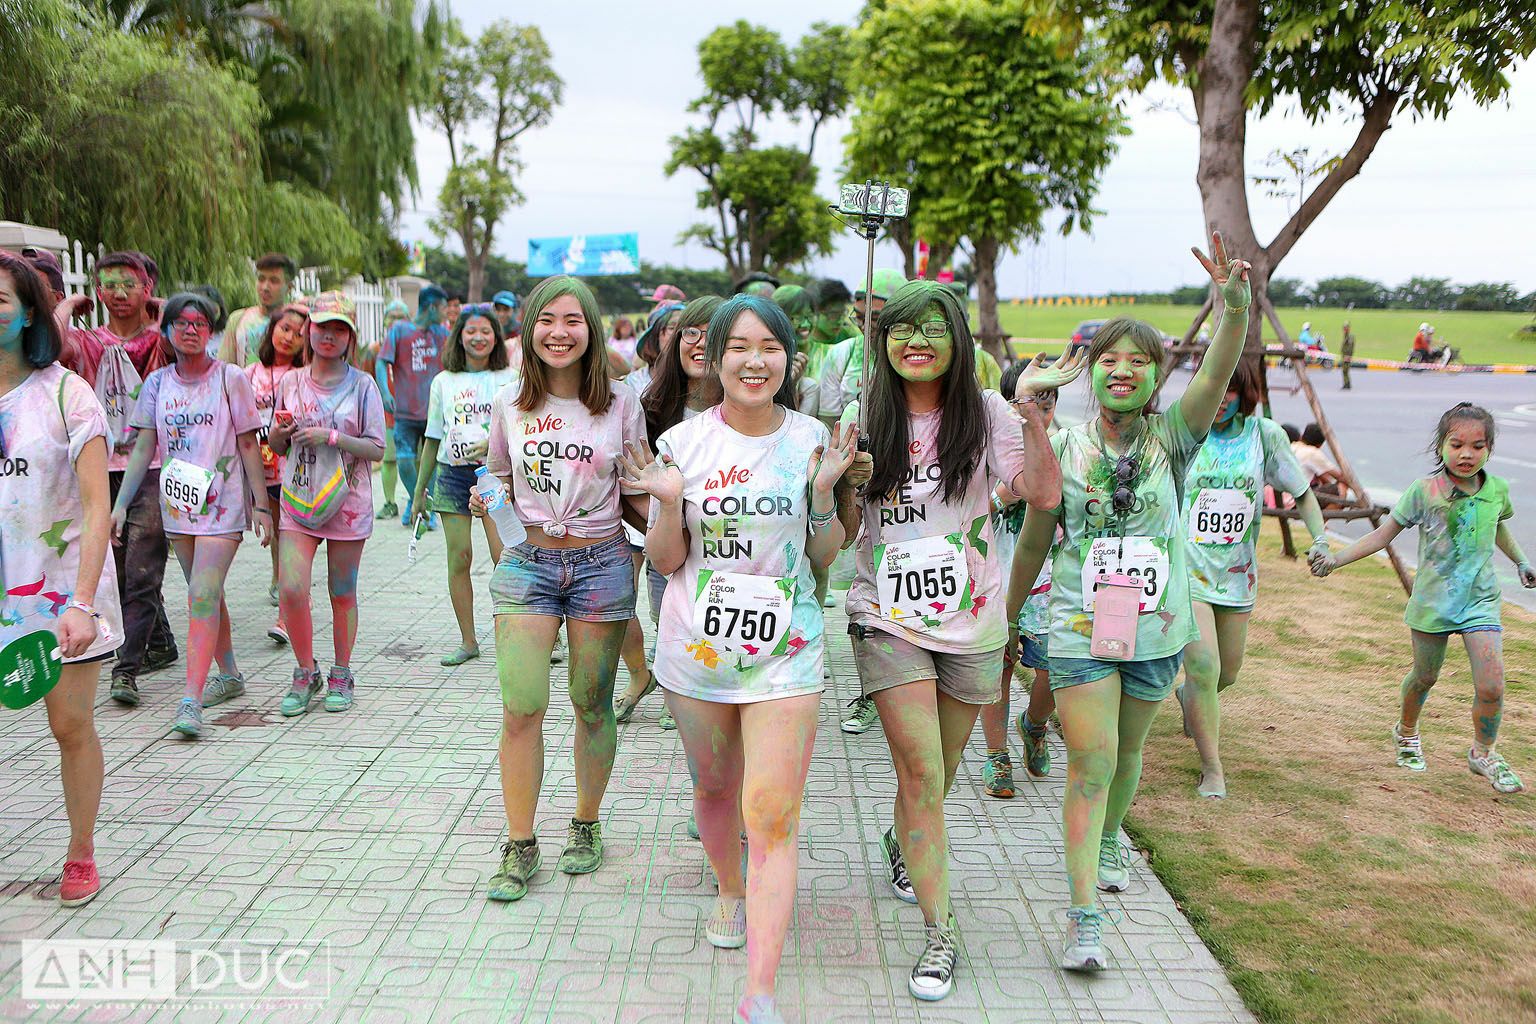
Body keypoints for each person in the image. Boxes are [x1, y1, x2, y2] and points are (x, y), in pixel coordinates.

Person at [1005, 231, 1251, 972]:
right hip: (1080, 629)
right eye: (1108, 359)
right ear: (1091, 375)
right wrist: (1007, 617)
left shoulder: (1175, 438)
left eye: (1138, 361)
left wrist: (1234, 308)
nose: (1121, 370)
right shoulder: (1067, 445)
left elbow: (1215, 372)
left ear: (1155, 377)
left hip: (1158, 629)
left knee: (1130, 752)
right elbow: (1034, 540)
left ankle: (1112, 836)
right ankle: (1084, 916)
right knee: (1094, 759)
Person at [619, 294, 859, 1024]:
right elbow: (667, 560)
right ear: (713, 358)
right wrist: (664, 503)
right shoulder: (684, 445)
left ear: (790, 360)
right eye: (740, 348)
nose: (756, 361)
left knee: (772, 813)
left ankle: (760, 992)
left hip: (787, 653)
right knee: (717, 789)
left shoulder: (814, 438)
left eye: (771, 348)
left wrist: (822, 495)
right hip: (696, 651)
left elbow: (824, 554)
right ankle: (728, 886)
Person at [847, 279, 1065, 1001]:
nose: (917, 342)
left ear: (959, 341)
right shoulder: (863, 414)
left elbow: (1040, 495)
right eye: (901, 328)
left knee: (934, 772)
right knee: (922, 775)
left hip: (972, 619)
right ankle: (941, 937)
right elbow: (844, 530)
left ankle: (901, 840)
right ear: (883, 341)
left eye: (934, 329)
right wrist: (842, 485)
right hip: (886, 616)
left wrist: (1033, 421)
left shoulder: (990, 414)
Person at [481, 276, 647, 904]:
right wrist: (488, 504)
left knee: (590, 701)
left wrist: (676, 528)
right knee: (522, 707)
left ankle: (586, 822)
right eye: (546, 319)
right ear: (528, 329)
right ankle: (520, 843)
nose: (559, 332)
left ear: (592, 328)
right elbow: (497, 473)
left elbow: (636, 488)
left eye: (573, 320)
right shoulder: (508, 403)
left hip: (603, 562)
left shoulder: (621, 404)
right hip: (529, 566)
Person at [1311, 403, 1535, 793]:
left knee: (1492, 686)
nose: (1467, 454)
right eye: (1457, 444)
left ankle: (1484, 752)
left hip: (1480, 601)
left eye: (1478, 446)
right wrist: (1335, 559)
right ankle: (1407, 732)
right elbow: (1383, 536)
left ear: (1489, 449)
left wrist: (1521, 561)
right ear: (1441, 446)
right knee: (1425, 677)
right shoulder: (1424, 491)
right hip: (1433, 603)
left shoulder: (1496, 489)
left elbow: (1497, 527)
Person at [0, 251, 124, 906]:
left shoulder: (67, 395)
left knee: (68, 727)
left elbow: (98, 506)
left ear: (28, 314)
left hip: (57, 594)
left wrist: (81, 601)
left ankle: (81, 852)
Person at [113, 292, 271, 738]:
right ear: (166, 331)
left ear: (212, 330)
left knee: (200, 595)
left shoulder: (230, 378)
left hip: (224, 507)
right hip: (178, 508)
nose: (190, 329)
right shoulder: (158, 385)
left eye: (199, 322)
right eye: (180, 323)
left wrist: (260, 504)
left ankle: (191, 698)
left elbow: (247, 443)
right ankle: (231, 673)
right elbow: (144, 447)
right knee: (208, 593)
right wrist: (121, 505)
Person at [1173, 358, 1328, 799]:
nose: (1220, 401)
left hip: (1238, 576)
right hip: (1189, 571)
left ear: (1245, 394)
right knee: (1204, 668)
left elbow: (1302, 494)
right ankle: (1212, 769)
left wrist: (1320, 540)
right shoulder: (1186, 433)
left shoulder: (1265, 436)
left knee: (1227, 674)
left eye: (1230, 392)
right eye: (1214, 390)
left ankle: (1191, 699)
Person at [54, 252, 179, 706]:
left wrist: (162, 307)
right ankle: (159, 642)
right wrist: (68, 306)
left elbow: (181, 335)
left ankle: (125, 671)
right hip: (98, 468)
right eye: (109, 284)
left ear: (148, 288)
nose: (120, 293)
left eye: (132, 284)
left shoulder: (160, 342)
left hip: (151, 468)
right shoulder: (89, 342)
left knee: (144, 571)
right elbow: (52, 345)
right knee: (121, 569)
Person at [268, 292, 386, 717]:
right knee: (292, 587)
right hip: (298, 498)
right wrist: (283, 432)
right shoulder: (290, 382)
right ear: (308, 331)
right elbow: (275, 443)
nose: (330, 336)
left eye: (340, 329)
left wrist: (330, 436)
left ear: (351, 336)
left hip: (347, 503)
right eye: (323, 328)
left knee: (342, 591)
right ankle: (305, 670)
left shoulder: (363, 385)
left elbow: (376, 448)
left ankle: (341, 671)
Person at [613, 294, 724, 730]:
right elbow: (631, 483)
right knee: (670, 620)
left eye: (711, 334)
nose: (699, 344)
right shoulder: (653, 407)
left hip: (735, 549)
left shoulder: (755, 407)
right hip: (669, 549)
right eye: (689, 333)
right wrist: (667, 529)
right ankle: (674, 686)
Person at [410, 303, 518, 665]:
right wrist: (418, 494)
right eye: (470, 331)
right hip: (451, 478)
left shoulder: (510, 377)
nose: (478, 337)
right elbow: (432, 438)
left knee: (505, 557)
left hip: (494, 477)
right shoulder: (443, 381)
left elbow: (522, 430)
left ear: (496, 337)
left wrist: (493, 444)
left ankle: (526, 636)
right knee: (459, 559)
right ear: (459, 336)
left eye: (485, 331)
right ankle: (468, 641)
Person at [979, 356, 1062, 797]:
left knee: (1053, 670)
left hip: (1053, 588)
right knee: (999, 670)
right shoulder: (992, 447)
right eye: (1029, 403)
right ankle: (996, 756)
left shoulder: (1065, 447)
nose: (1039, 415)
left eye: (1047, 405)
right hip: (997, 581)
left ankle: (1035, 723)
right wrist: (1001, 495)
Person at [245, 301, 309, 644]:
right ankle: (281, 582)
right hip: (260, 468)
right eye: (285, 329)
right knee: (275, 535)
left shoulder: (303, 376)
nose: (289, 338)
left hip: (292, 469)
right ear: (271, 330)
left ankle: (290, 608)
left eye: (299, 334)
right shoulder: (249, 373)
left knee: (290, 537)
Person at [377, 285, 447, 526]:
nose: (445, 313)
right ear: (431, 307)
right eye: (442, 308)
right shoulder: (400, 330)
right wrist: (385, 391)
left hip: (434, 412)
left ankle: (427, 508)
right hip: (404, 412)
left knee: (432, 463)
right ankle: (414, 499)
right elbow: (381, 361)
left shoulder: (441, 333)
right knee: (404, 460)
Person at [364, 298, 410, 520]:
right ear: (384, 321)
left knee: (415, 460)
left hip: (413, 415)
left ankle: (416, 501)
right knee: (389, 460)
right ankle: (390, 501)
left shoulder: (414, 346)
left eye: (401, 318)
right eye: (392, 317)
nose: (396, 322)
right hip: (387, 417)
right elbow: (366, 379)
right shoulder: (375, 349)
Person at [218, 253, 296, 366]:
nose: (265, 287)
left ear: (289, 288)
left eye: (274, 281)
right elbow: (224, 367)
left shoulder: (297, 323)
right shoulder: (238, 319)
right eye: (261, 279)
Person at [625, 301, 683, 396]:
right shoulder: (634, 383)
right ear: (655, 336)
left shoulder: (697, 381)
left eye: (688, 330)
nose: (679, 334)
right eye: (672, 328)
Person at [1292, 423, 1353, 508]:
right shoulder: (1312, 453)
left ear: (1302, 436)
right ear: (1320, 445)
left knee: (1325, 482)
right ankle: (1319, 521)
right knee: (1341, 487)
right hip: (1295, 501)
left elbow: (1324, 477)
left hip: (1283, 498)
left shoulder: (1292, 446)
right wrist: (1359, 493)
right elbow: (1340, 476)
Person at [1340, 321, 1355, 390]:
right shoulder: (1345, 336)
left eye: (1345, 328)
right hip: (1344, 356)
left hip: (1347, 356)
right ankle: (1346, 383)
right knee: (1344, 370)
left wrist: (1348, 356)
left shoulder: (1350, 337)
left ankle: (1347, 384)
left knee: (1345, 370)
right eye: (1344, 328)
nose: (1344, 329)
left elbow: (1350, 348)